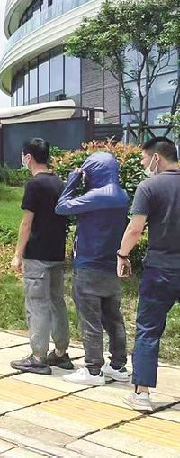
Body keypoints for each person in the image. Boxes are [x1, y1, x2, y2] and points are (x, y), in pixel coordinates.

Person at [56, 152, 130, 385]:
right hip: (111, 265)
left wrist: (72, 181)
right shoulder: (122, 195)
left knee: (90, 320)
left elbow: (62, 207)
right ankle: (118, 366)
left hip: (89, 265)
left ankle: (93, 369)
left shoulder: (95, 196)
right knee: (114, 319)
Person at [119, 137, 180, 412]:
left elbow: (135, 229)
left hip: (161, 270)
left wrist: (122, 255)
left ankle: (141, 394)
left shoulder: (149, 187)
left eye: (144, 159)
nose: (143, 164)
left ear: (157, 157)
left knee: (148, 331)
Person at [9, 138, 71, 374]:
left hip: (37, 255)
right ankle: (61, 353)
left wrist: (17, 254)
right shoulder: (60, 183)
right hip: (57, 253)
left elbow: (27, 224)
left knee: (37, 305)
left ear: (28, 158)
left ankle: (38, 358)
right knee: (57, 303)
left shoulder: (34, 185)